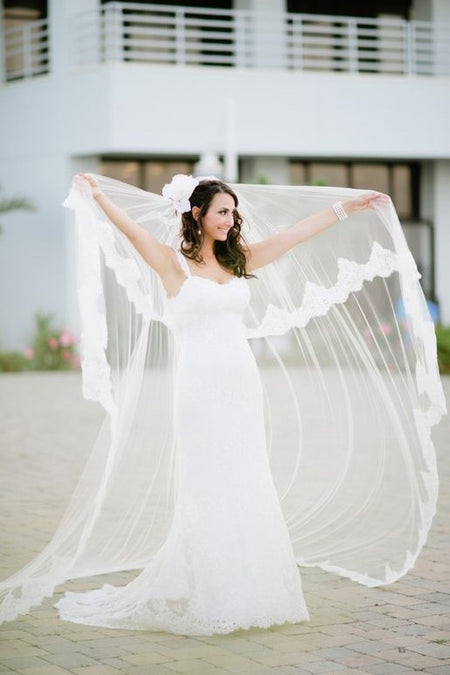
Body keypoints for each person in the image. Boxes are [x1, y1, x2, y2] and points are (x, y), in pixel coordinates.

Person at [0, 173, 445, 634]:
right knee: (207, 480)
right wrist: (98, 198)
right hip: (198, 388)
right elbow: (131, 232)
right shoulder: (173, 265)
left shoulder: (239, 260)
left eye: (233, 213)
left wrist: (347, 208)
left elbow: (293, 235)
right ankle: (211, 586)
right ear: (197, 215)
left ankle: (251, 581)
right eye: (222, 212)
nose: (231, 221)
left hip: (241, 384)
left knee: (247, 474)